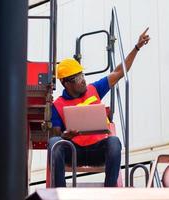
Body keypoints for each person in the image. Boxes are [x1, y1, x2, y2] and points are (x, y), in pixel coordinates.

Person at [48, 28, 150, 187]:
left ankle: (109, 192)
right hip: (75, 152)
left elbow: (119, 71)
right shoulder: (57, 105)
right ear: (66, 83)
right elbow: (56, 136)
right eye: (77, 78)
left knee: (114, 142)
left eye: (83, 75)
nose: (83, 80)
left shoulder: (94, 89)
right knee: (55, 142)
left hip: (98, 150)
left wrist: (136, 48)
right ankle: (60, 192)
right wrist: (66, 136)